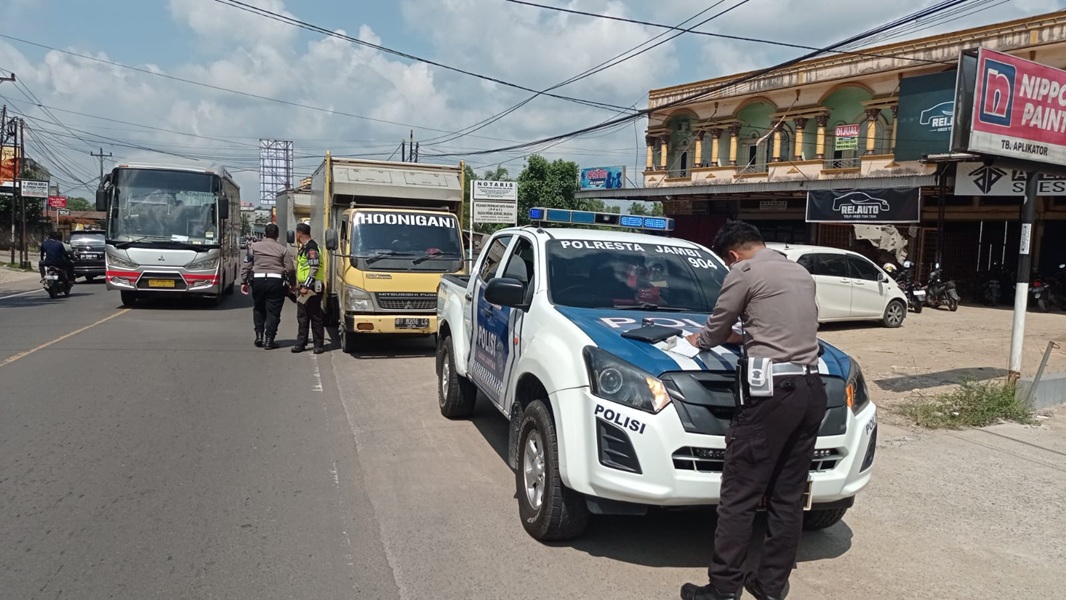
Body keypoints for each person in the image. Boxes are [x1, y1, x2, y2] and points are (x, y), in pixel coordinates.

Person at [680, 221, 827, 600]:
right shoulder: (799, 271)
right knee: (788, 496)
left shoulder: (744, 272)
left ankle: (723, 589)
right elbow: (789, 326)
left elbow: (714, 330)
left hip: (770, 395)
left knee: (740, 495)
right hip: (811, 390)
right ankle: (770, 585)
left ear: (732, 255)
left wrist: (701, 338)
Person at [241, 223, 294, 350]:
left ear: (264, 234)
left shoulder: (253, 247)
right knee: (273, 312)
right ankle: (269, 340)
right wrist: (292, 284)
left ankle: (259, 336)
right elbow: (290, 269)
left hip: (258, 280)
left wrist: (244, 282)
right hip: (275, 282)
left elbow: (247, 265)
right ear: (277, 236)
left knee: (259, 308)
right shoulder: (283, 249)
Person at [291, 222, 326, 354]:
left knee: (315, 316)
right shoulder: (305, 247)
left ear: (299, 234)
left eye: (296, 234)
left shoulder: (311, 248)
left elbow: (314, 268)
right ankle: (301, 343)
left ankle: (318, 345)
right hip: (306, 287)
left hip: (311, 288)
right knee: (303, 316)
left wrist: (305, 286)